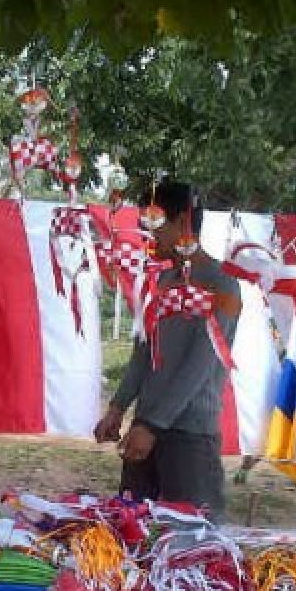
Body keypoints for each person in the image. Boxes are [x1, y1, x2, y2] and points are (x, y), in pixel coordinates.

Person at [93, 180, 240, 520]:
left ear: (183, 222)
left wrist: (153, 425)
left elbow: (199, 365)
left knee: (192, 541)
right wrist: (118, 407)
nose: (149, 235)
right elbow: (144, 351)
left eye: (155, 224)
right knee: (133, 532)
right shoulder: (161, 281)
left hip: (189, 434)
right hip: (145, 427)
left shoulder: (223, 285)